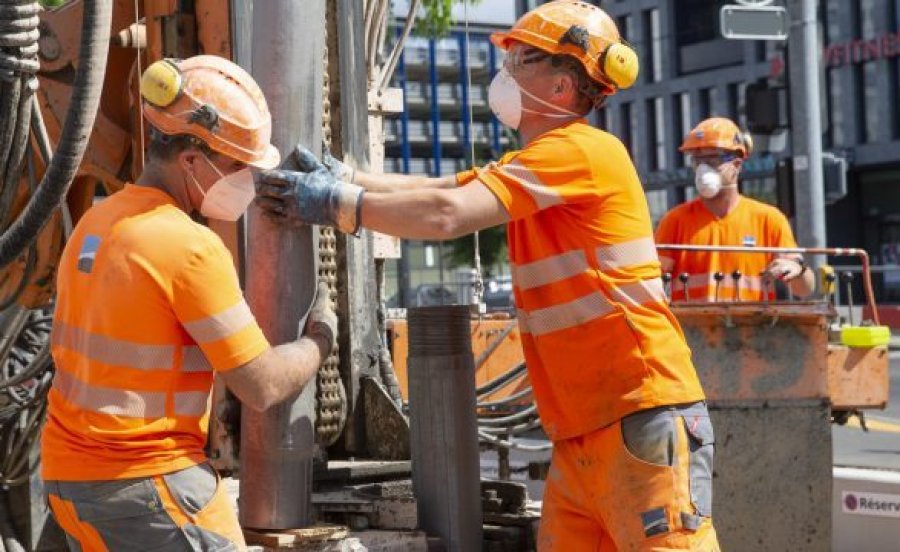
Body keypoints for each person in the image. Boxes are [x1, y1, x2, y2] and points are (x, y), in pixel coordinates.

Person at [257, 3, 719, 550]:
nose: (505, 74)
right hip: (585, 433)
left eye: (521, 60)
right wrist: (351, 178)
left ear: (562, 87)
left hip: (638, 418)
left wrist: (340, 204)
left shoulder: (581, 152)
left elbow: (448, 215)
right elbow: (446, 189)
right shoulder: (542, 161)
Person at [41, 55, 335, 551]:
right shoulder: (189, 247)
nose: (247, 180)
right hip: (144, 482)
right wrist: (319, 340)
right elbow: (261, 384)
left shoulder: (94, 225)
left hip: (68, 480)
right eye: (238, 165)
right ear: (191, 161)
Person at [656, 117, 815, 302]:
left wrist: (798, 271)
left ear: (737, 164)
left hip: (752, 327)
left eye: (712, 160)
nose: (703, 169)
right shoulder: (676, 220)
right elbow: (650, 279)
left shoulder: (768, 219)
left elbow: (804, 289)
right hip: (693, 327)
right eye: (698, 161)